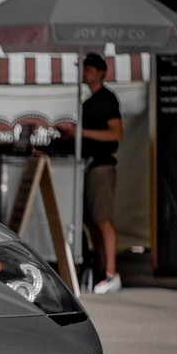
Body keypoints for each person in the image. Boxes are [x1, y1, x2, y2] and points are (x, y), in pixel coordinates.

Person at [58, 53, 123, 294]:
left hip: (102, 165)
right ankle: (101, 269)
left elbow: (116, 135)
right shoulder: (90, 101)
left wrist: (81, 133)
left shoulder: (107, 99)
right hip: (89, 165)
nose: (84, 72)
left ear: (100, 72)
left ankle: (111, 273)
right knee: (92, 220)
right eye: (84, 68)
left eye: (89, 68)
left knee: (103, 219)